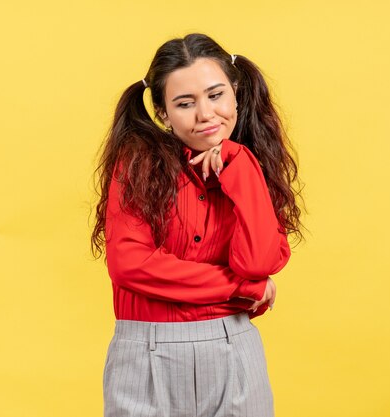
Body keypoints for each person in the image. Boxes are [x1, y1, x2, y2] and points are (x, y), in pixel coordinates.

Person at [90, 33, 303, 417]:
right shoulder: (138, 165)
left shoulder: (255, 164)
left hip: (232, 350)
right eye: (184, 104)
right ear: (163, 113)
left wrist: (240, 165)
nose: (206, 115)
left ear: (236, 92)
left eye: (216, 95)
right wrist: (241, 288)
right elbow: (130, 265)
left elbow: (257, 262)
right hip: (145, 354)